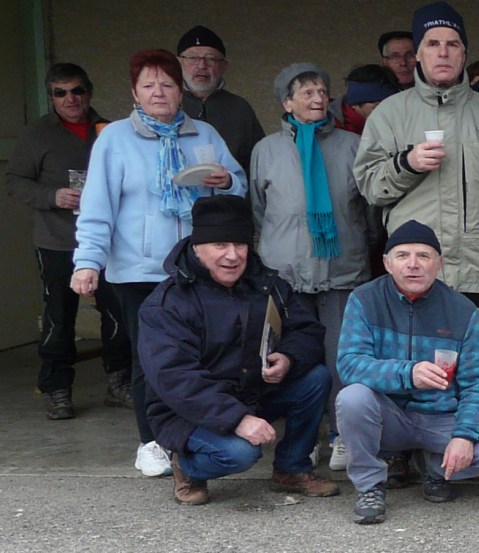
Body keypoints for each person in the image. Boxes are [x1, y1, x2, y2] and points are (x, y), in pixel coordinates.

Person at [72, 49, 245, 476]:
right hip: (138, 270)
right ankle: (151, 441)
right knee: (149, 358)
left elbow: (238, 186)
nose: (158, 93)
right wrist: (87, 261)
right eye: (148, 85)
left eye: (167, 84)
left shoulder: (204, 134)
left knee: (202, 355)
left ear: (180, 91)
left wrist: (227, 180)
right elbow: (97, 206)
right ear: (134, 93)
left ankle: (196, 432)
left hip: (196, 268)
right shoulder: (114, 138)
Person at [136, 194, 336, 505]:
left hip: (252, 392)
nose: (232, 255)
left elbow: (307, 330)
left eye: (240, 245)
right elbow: (175, 378)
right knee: (239, 453)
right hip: (187, 411)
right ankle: (187, 466)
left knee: (316, 378)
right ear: (196, 246)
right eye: (220, 245)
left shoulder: (267, 284)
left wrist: (288, 357)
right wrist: (237, 419)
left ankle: (292, 468)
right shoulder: (167, 303)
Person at [353, 2, 479, 346]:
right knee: (416, 371)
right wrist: (407, 164)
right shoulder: (390, 114)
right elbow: (370, 188)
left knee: (476, 371)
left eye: (453, 44)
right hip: (415, 273)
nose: (443, 52)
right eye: (432, 43)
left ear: (464, 55)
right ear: (418, 55)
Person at [336, 218, 479, 524]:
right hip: (386, 415)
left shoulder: (462, 311)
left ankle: (433, 468)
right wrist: (408, 373)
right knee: (352, 398)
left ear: (439, 264)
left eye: (424, 256)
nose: (413, 265)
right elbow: (349, 363)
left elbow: (477, 383)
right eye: (403, 256)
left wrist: (464, 436)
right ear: (387, 263)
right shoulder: (364, 299)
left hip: (439, 416)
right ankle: (370, 485)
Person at [249, 62, 376, 471]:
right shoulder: (266, 150)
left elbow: (370, 213)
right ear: (287, 103)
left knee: (342, 360)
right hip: (286, 277)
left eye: (322, 91)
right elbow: (259, 211)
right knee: (294, 361)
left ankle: (342, 436)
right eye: (307, 92)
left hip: (343, 271)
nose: (318, 98)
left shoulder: (352, 145)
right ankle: (304, 439)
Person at [7, 62, 132, 419]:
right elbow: (14, 181)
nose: (70, 98)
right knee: (59, 317)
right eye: (60, 93)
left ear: (89, 92)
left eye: (77, 90)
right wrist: (52, 196)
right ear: (51, 98)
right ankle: (56, 388)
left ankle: (120, 381)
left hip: (108, 241)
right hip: (58, 240)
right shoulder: (36, 134)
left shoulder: (110, 130)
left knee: (117, 313)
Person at [172, 26, 265, 171]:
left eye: (211, 59)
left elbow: (259, 164)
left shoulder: (240, 108)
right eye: (193, 58)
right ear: (178, 63)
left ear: (223, 66)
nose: (201, 65)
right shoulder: (167, 104)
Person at [336, 65, 399, 136]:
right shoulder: (332, 130)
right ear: (354, 104)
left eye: (390, 107)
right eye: (377, 106)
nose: (386, 112)